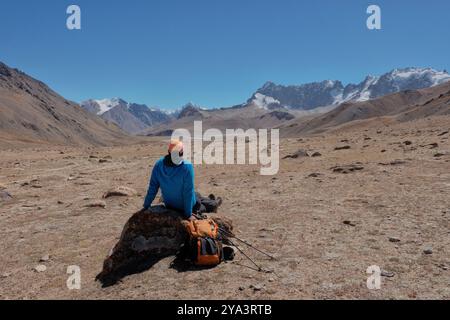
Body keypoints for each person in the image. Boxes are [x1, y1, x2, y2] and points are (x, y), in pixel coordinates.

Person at [143, 139, 222, 219]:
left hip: (169, 204)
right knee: (201, 204)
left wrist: (146, 205)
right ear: (182, 152)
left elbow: (152, 187)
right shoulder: (186, 166)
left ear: (168, 151)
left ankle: (210, 199)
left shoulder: (159, 164)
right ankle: (214, 203)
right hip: (185, 207)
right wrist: (188, 214)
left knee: (196, 194)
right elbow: (187, 192)